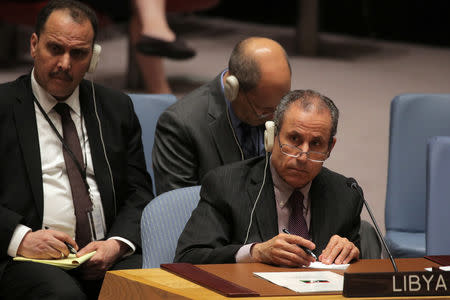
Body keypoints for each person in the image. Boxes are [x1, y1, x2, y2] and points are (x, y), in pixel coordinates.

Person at [0, 1, 153, 299]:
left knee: (154, 286)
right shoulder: (3, 107)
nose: (65, 64)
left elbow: (139, 193)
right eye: (55, 49)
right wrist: (21, 238)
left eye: (78, 53)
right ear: (34, 45)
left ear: (92, 57)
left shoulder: (114, 108)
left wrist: (116, 244)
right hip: (28, 258)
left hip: (104, 254)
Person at [175, 89, 363, 266]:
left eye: (316, 143)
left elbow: (357, 272)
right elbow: (188, 257)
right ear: (272, 135)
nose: (303, 156)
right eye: (294, 139)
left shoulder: (345, 194)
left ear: (330, 148)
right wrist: (254, 253)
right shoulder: (226, 185)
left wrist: (349, 252)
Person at [152, 36, 292, 195]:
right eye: (264, 111)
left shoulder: (274, 103)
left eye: (281, 105)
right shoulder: (180, 125)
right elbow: (179, 208)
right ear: (232, 89)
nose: (274, 118)